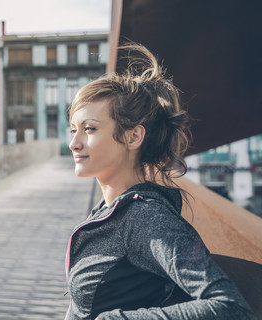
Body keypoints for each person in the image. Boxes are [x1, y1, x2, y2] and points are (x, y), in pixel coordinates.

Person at [65, 43, 255, 320]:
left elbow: (230, 307)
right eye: (73, 129)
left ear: (133, 137)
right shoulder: (109, 210)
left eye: (89, 129)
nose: (73, 143)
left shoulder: (147, 218)